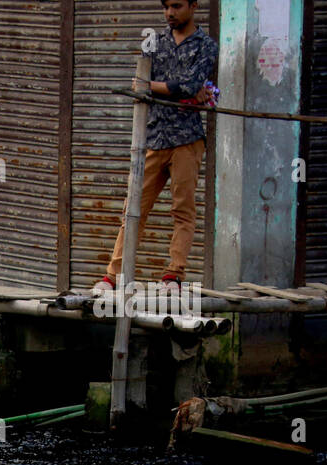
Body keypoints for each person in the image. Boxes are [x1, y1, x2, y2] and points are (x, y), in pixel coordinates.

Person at [94, 0, 218, 296]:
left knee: (183, 210)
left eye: (176, 6)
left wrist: (156, 86)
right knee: (133, 209)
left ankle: (173, 275)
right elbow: (143, 83)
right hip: (153, 138)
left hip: (187, 139)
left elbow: (190, 85)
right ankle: (113, 276)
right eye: (165, 7)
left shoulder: (206, 46)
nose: (169, 13)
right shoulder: (154, 43)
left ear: (193, 6)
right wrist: (174, 90)